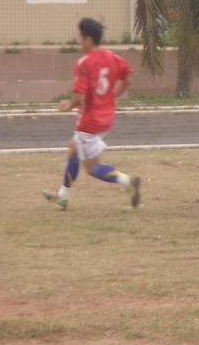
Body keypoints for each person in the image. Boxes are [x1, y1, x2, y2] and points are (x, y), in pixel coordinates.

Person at [43, 17, 141, 210]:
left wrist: (68, 106)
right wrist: (111, 97)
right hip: (107, 118)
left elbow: (79, 95)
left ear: (88, 39)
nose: (79, 41)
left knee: (92, 168)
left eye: (80, 37)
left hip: (89, 122)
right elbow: (127, 80)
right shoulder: (113, 58)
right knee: (73, 148)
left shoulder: (84, 63)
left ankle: (127, 181)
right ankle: (62, 196)